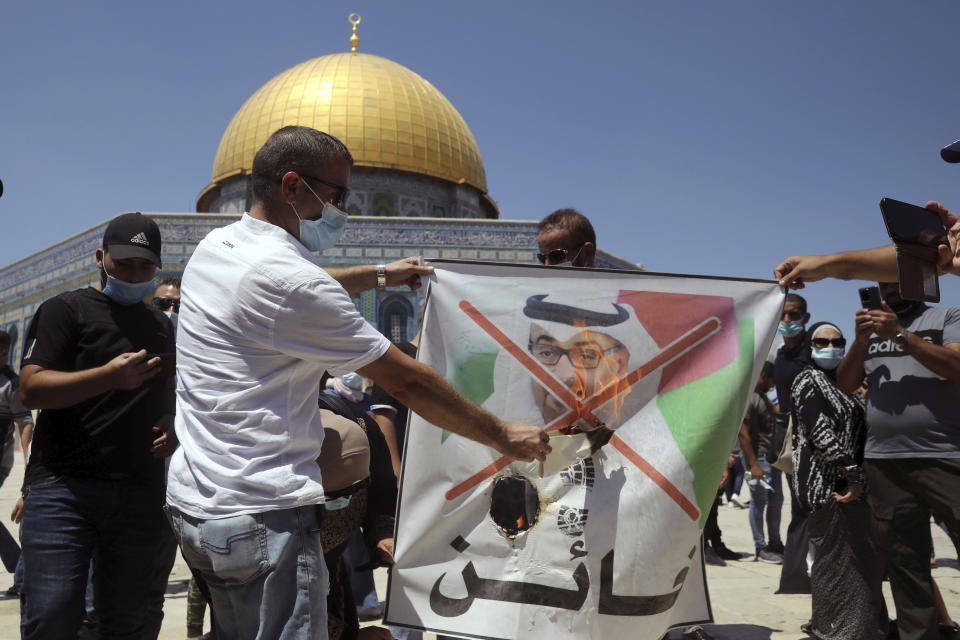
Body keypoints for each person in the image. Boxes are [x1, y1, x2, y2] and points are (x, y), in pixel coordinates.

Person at [164, 126, 550, 640]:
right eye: (339, 195)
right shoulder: (291, 283)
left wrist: (381, 275)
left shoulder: (217, 247)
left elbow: (296, 289)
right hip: (265, 518)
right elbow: (406, 382)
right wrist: (503, 435)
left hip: (197, 507)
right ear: (293, 186)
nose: (345, 210)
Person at [17, 212, 177, 639]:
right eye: (123, 263)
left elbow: (167, 393)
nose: (134, 274)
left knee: (123, 621)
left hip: (136, 491)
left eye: (145, 266)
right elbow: (31, 389)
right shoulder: (64, 311)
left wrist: (170, 421)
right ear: (100, 257)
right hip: (63, 488)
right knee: (53, 613)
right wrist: (108, 376)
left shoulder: (160, 326)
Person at [836, 282, 960, 640]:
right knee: (907, 567)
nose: (890, 288)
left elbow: (955, 367)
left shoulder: (947, 317)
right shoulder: (870, 331)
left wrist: (901, 335)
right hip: (886, 463)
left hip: (947, 458)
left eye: (897, 279)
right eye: (883, 282)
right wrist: (861, 341)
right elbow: (846, 383)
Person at [791, 322, 887, 640]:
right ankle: (834, 629)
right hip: (828, 487)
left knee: (857, 562)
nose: (831, 348)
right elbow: (821, 433)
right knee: (836, 564)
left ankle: (857, 627)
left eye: (837, 342)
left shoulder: (840, 384)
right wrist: (854, 475)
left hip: (849, 487)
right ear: (810, 345)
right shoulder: (808, 379)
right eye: (822, 341)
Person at [773, 294, 813, 595]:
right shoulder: (781, 358)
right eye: (783, 315)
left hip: (815, 441)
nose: (787, 321)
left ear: (806, 317)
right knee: (800, 510)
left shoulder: (814, 351)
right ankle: (797, 578)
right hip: (791, 444)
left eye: (794, 315)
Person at [738, 361, 784, 564]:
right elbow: (743, 434)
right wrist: (753, 464)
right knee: (759, 503)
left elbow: (775, 413)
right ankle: (760, 546)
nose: (772, 386)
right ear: (764, 376)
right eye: (772, 381)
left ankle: (775, 543)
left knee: (776, 501)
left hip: (771, 459)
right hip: (758, 459)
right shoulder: (750, 398)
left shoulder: (761, 396)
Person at [0, 330, 33, 592]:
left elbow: (25, 423)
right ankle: (21, 567)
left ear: (3, 353)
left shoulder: (11, 384)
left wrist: (28, 467)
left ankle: (21, 567)